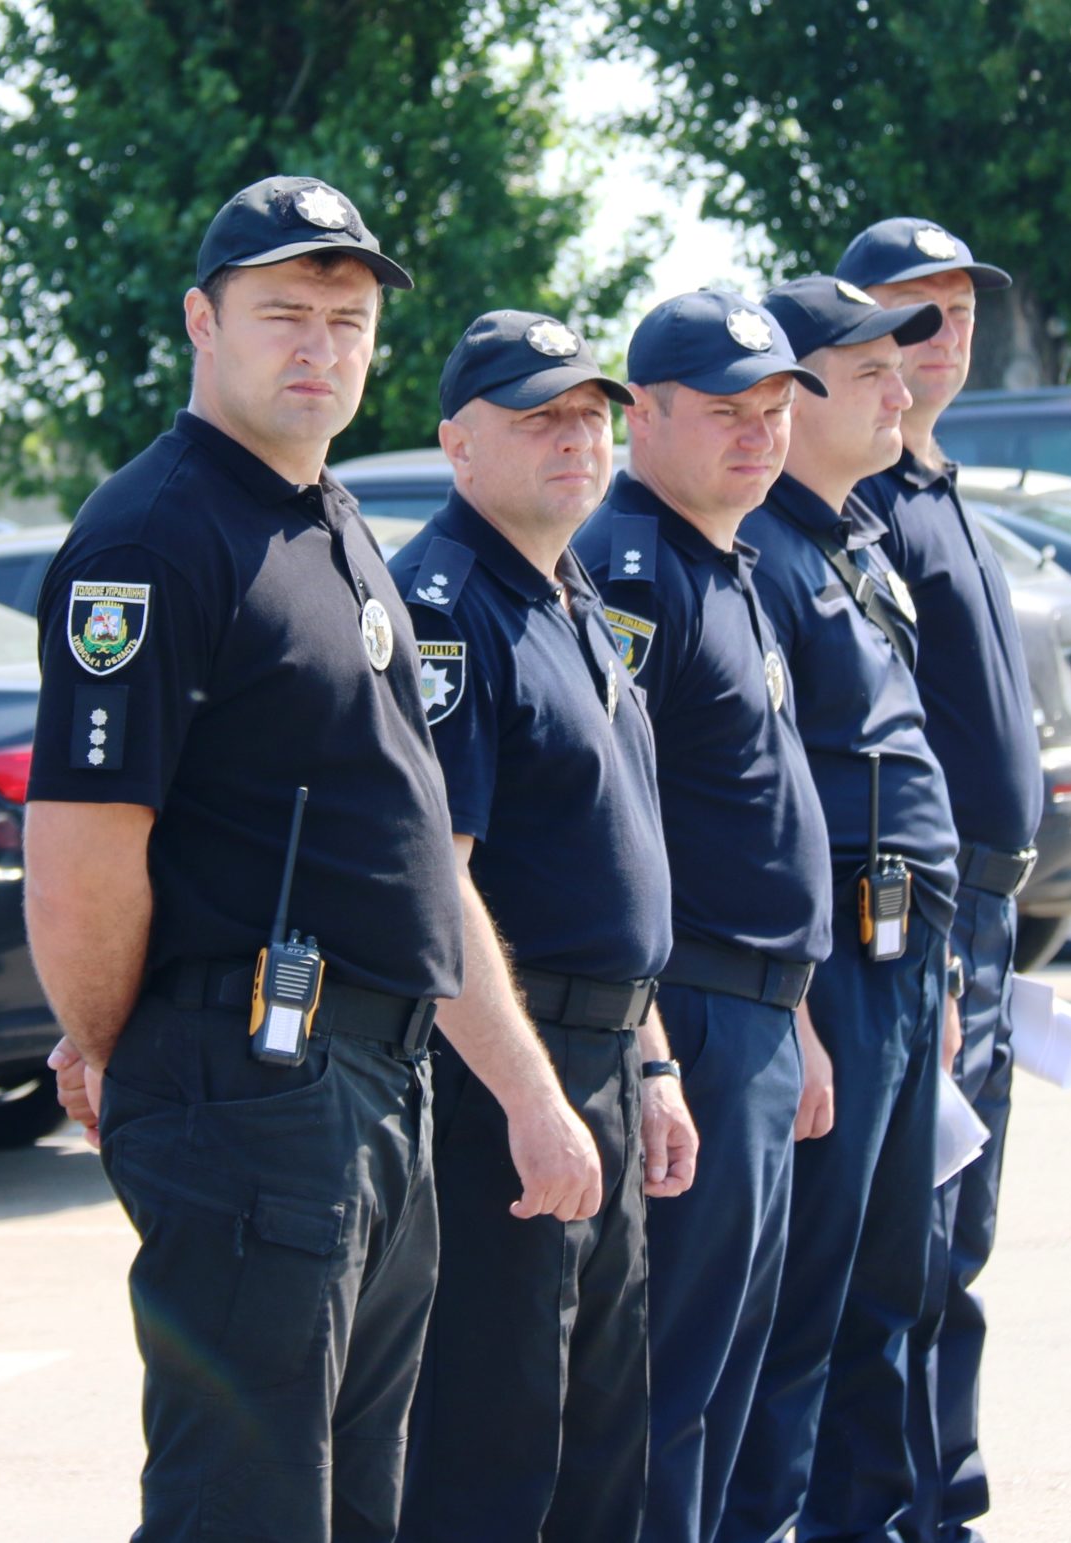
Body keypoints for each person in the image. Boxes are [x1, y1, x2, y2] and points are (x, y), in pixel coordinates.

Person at [28, 175, 593, 1543]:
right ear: (201, 323)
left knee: (349, 1506)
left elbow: (412, 844)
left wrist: (525, 1087)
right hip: (253, 1089)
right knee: (247, 1504)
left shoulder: (327, 521)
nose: (319, 349)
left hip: (372, 1087)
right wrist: (117, 1044)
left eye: (347, 323)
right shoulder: (157, 536)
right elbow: (84, 848)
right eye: (284, 312)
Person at [388, 311, 698, 1543]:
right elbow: (436, 882)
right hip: (505, 1071)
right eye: (538, 418)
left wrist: (653, 1062)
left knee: (598, 1441)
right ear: (459, 445)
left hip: (605, 1054)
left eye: (590, 415)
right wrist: (530, 1096)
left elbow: (606, 868)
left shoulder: (566, 593)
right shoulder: (448, 609)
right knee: (496, 1440)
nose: (577, 438)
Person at [574, 291, 835, 1543]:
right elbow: (611, 835)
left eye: (776, 408)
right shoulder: (634, 574)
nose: (759, 433)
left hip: (760, 1017)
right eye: (729, 410)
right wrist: (662, 1050)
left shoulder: (725, 561)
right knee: (670, 1386)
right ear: (646, 415)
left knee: (734, 1369)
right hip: (694, 1022)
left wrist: (801, 1021)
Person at [721, 276, 963, 1543]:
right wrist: (804, 1003)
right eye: (870, 372)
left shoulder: (856, 534)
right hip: (836, 968)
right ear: (795, 395)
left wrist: (945, 972)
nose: (900, 390)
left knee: (892, 1285)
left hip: (909, 955)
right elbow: (762, 805)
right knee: (809, 1298)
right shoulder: (757, 556)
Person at [837, 218, 1045, 1543]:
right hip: (924, 921)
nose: (945, 335)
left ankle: (945, 1496)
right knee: (907, 1245)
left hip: (992, 915)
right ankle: (907, 1509)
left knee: (960, 1237)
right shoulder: (862, 504)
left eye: (961, 310)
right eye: (915, 315)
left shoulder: (936, 482)